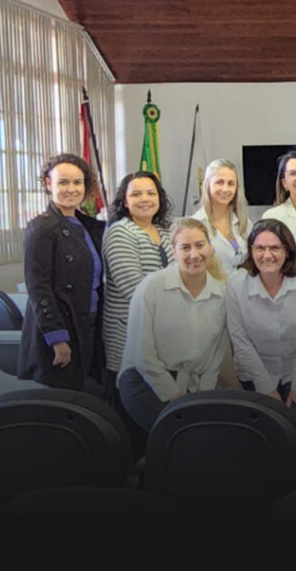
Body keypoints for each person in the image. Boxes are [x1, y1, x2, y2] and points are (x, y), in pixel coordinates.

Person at [117, 218, 229, 431]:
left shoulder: (222, 292)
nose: (194, 254)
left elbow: (216, 354)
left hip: (191, 383)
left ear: (210, 247)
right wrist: (175, 397)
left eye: (200, 245)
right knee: (179, 434)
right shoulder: (152, 287)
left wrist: (202, 398)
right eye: (185, 248)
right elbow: (142, 353)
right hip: (144, 379)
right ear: (174, 252)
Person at [18, 154, 105, 393]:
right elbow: (39, 288)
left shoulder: (86, 225)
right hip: (62, 330)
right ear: (48, 184)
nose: (71, 189)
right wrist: (57, 338)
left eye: (77, 182)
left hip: (88, 323)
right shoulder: (42, 228)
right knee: (66, 404)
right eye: (63, 182)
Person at [226, 218, 296, 422]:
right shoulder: (236, 285)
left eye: (275, 248)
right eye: (260, 248)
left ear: (287, 251)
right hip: (256, 372)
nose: (267, 255)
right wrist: (266, 389)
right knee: (264, 430)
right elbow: (240, 342)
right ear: (251, 251)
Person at [102, 171, 174, 389]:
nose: (145, 199)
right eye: (136, 194)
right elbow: (134, 289)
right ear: (124, 201)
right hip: (128, 336)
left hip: (161, 336)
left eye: (151, 193)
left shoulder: (165, 231)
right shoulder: (120, 232)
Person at [193, 159, 252, 272]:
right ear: (207, 185)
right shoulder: (196, 224)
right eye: (219, 182)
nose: (225, 189)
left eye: (231, 184)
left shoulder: (244, 222)